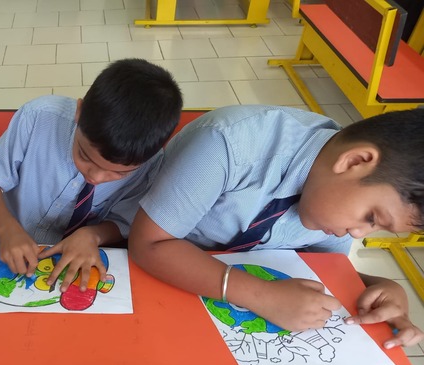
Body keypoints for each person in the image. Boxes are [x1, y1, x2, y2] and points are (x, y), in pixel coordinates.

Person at [129, 105, 424, 348]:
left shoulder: (331, 201)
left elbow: (325, 268)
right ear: (354, 161)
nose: (359, 233)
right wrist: (262, 295)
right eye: (371, 217)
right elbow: (149, 244)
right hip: (149, 282)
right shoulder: (227, 143)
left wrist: (375, 287)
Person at [0, 58, 182, 291]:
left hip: (86, 251)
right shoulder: (38, 117)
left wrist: (93, 235)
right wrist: (6, 228)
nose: (96, 177)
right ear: (79, 112)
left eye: (119, 173)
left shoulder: (150, 164)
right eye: (85, 156)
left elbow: (124, 222)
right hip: (7, 235)